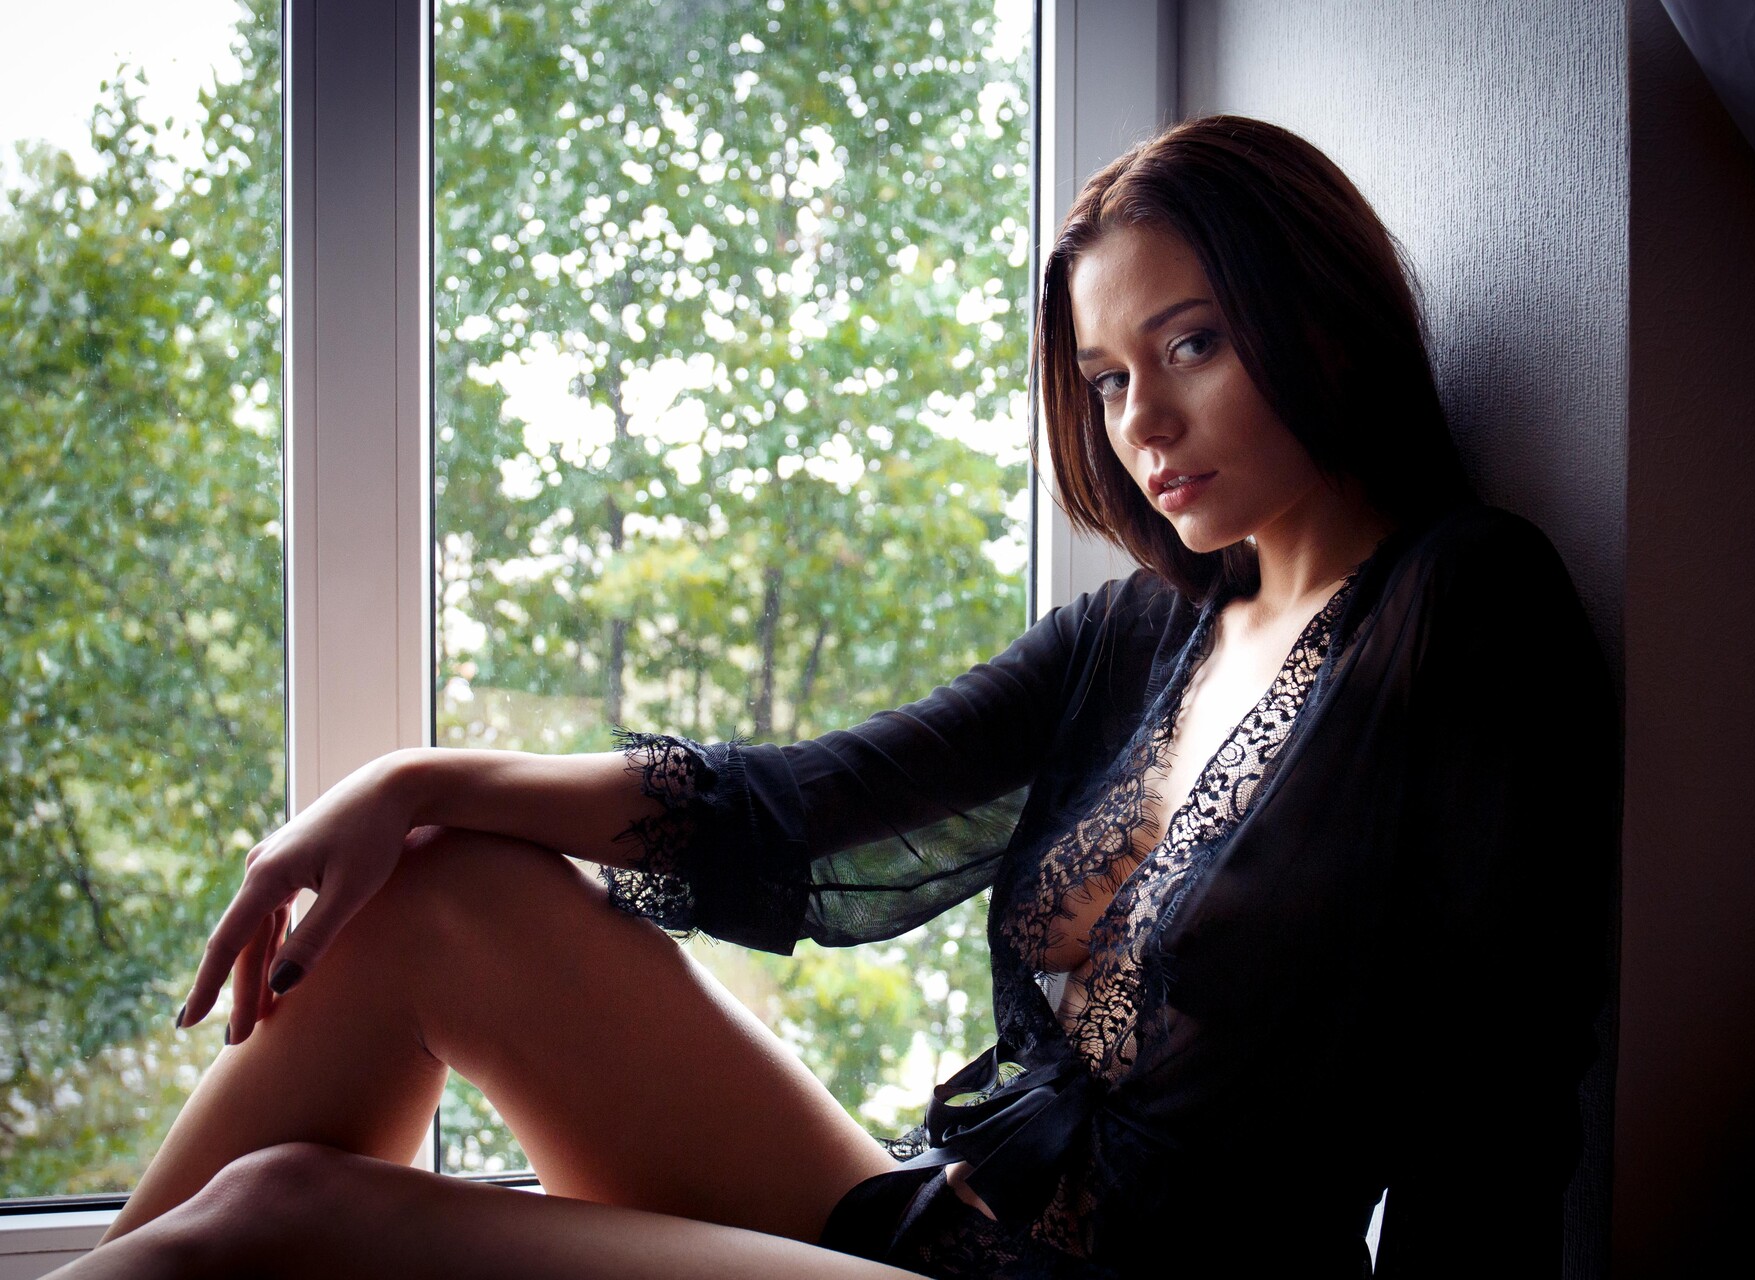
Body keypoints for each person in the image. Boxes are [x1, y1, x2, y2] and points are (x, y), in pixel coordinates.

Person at [54, 114, 1619, 1279]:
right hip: (941, 1224)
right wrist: (406, 781)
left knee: (279, 1215)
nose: (1142, 421)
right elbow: (804, 803)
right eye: (1105, 380)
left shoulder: (1461, 607)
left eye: (1191, 344)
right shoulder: (1138, 635)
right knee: (436, 886)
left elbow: (1496, 1113)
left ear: (1316, 312)